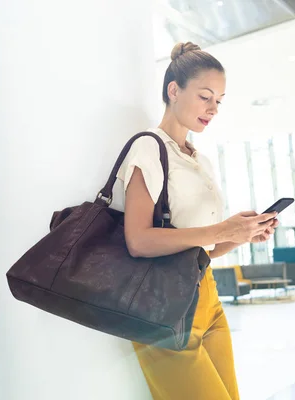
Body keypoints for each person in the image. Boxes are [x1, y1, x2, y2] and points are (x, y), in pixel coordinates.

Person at [110, 42, 279, 400]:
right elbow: (138, 241)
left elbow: (203, 250)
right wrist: (223, 229)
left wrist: (243, 234)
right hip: (162, 306)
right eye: (205, 97)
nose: (213, 108)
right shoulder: (149, 147)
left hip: (207, 297)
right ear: (174, 90)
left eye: (219, 100)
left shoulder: (201, 161)